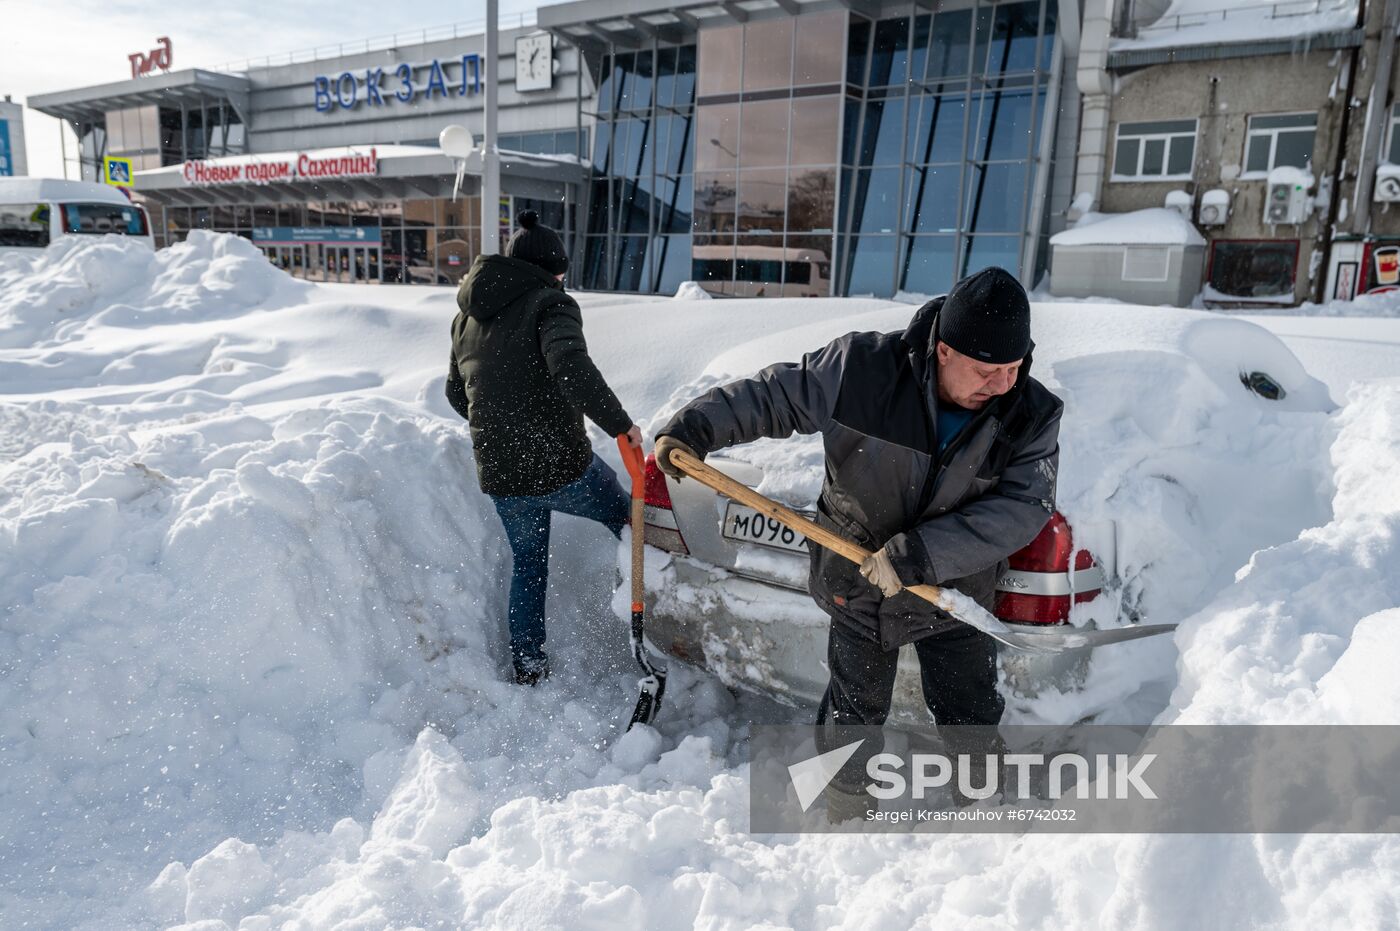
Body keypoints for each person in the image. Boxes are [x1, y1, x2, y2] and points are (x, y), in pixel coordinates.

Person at [653, 266, 1063, 814]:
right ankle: (846, 807)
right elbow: (775, 396)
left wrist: (922, 555)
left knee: (971, 713)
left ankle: (983, 806)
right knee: (854, 711)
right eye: (987, 370)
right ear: (943, 348)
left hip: (954, 592)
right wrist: (697, 426)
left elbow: (1022, 507)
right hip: (859, 582)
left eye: (1014, 368)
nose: (1002, 385)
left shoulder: (1030, 414)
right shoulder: (861, 370)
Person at [446, 210, 641, 686]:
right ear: (552, 269)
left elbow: (457, 394)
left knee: (529, 566)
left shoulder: (466, 316)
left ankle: (528, 666)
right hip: (560, 466)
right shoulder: (551, 304)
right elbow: (570, 367)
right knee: (632, 522)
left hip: (502, 475)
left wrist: (500, 424)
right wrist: (621, 426)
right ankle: (656, 629)